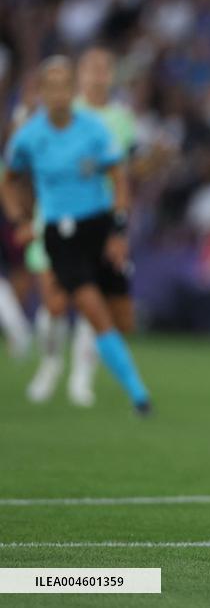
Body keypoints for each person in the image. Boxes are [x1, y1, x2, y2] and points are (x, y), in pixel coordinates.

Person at [2, 56, 151, 415]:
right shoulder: (30, 135)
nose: (57, 94)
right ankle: (136, 394)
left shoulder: (95, 129)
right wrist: (20, 218)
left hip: (98, 227)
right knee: (84, 308)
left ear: (72, 91)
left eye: (63, 87)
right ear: (42, 92)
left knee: (122, 319)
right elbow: (8, 179)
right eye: (49, 87)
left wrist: (117, 231)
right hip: (58, 231)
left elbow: (119, 179)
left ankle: (90, 373)